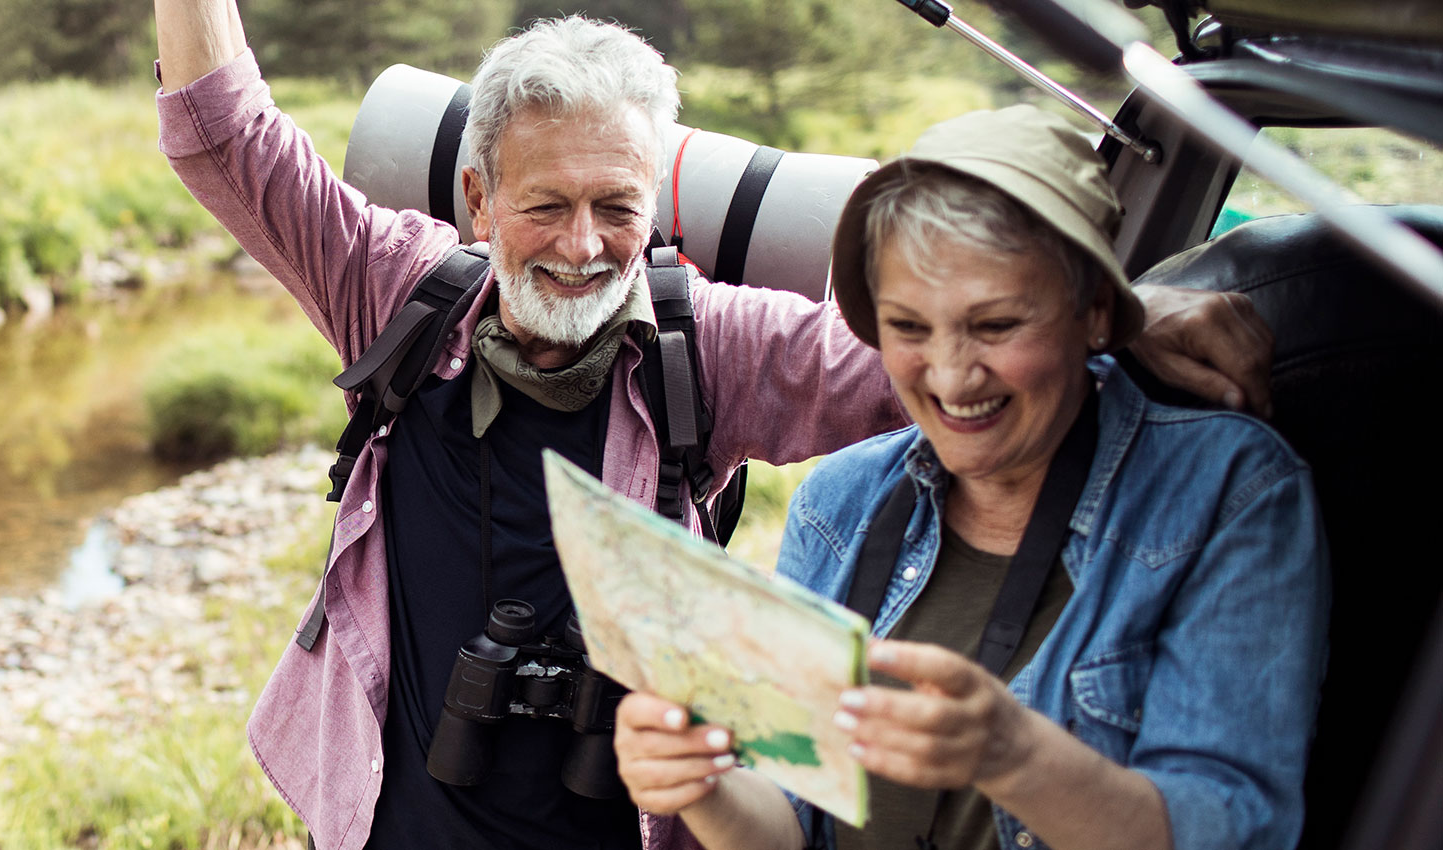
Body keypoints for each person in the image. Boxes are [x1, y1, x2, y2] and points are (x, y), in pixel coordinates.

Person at [152, 3, 1279, 847]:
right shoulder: (394, 292)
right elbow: (223, 137)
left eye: (618, 208)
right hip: (387, 814)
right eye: (544, 205)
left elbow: (930, 353)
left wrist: (1121, 317)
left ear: (660, 207)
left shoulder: (717, 347)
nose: (583, 244)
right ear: (477, 197)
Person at [612, 106, 1328, 850]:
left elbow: (1235, 831)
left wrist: (1015, 756)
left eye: (994, 326)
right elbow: (791, 823)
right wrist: (704, 782)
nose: (952, 376)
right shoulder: (840, 502)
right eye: (909, 328)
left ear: (1095, 311)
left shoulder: (1226, 492)